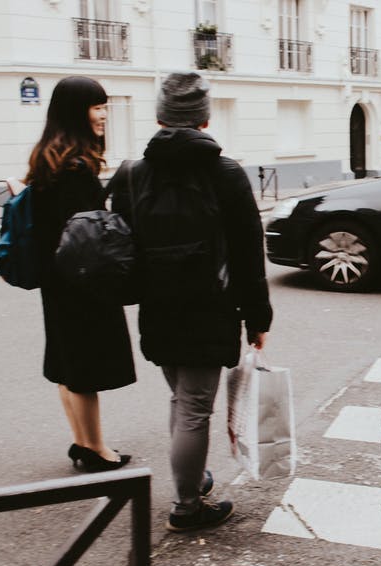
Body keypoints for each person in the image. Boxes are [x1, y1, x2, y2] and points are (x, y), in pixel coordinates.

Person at [110, 72, 273, 532]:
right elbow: (247, 254)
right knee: (195, 407)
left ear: (160, 116)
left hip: (157, 308)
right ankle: (187, 506)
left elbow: (123, 244)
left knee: (183, 399)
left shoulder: (134, 174)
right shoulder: (225, 173)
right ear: (204, 118)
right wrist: (257, 318)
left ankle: (193, 477)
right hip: (209, 310)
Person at [25, 76, 136, 473]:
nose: (104, 115)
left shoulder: (46, 159)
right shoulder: (75, 168)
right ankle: (96, 450)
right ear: (77, 111)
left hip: (55, 281)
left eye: (104, 106)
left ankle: (80, 441)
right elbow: (86, 235)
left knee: (67, 365)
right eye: (97, 107)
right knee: (85, 370)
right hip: (81, 283)